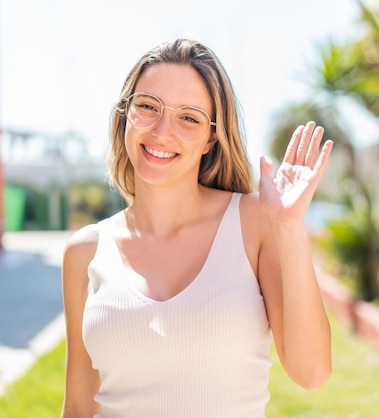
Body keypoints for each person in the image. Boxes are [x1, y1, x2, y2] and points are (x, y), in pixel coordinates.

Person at [60, 38, 333, 417]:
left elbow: (312, 372)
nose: (161, 131)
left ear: (211, 139)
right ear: (125, 115)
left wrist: (288, 226)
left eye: (188, 118)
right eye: (147, 107)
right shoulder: (84, 252)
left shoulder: (253, 223)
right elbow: (77, 405)